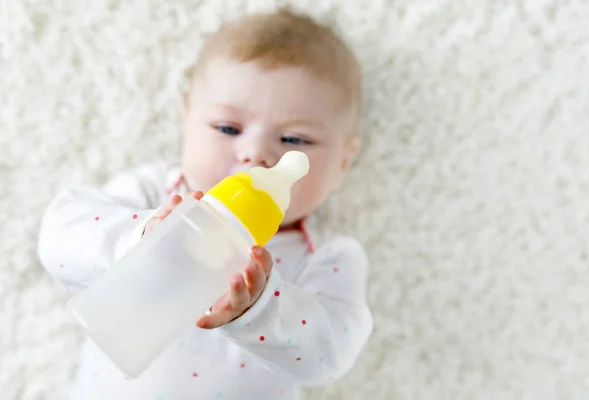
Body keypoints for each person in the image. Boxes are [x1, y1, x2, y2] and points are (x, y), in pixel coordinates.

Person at [38, 9, 372, 400]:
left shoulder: (327, 257)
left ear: (343, 163)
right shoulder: (156, 193)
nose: (256, 154)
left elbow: (330, 356)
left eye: (295, 140)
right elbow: (58, 235)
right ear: (186, 122)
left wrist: (260, 308)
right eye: (228, 129)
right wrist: (139, 238)